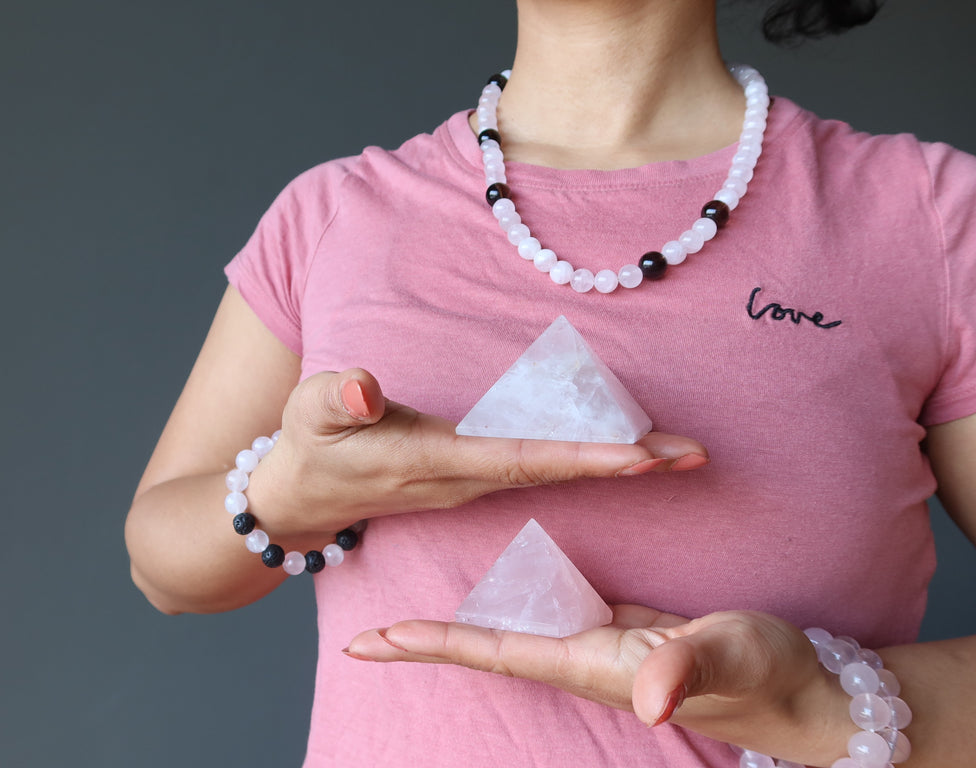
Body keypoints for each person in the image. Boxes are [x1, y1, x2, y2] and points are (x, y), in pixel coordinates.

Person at [125, 0, 976, 765]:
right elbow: (162, 566)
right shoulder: (334, 217)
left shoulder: (931, 220)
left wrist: (823, 705)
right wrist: (294, 492)